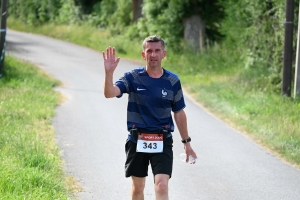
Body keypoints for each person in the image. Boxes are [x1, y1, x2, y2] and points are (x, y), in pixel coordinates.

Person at [102, 35, 197, 200]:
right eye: (149, 51)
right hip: (136, 139)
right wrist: (109, 73)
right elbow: (109, 93)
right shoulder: (132, 77)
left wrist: (187, 143)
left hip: (162, 139)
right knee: (138, 188)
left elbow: (179, 113)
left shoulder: (173, 81)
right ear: (143, 54)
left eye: (157, 51)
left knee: (161, 185)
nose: (153, 55)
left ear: (164, 54)